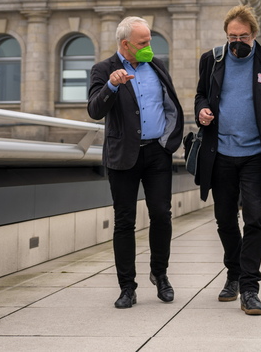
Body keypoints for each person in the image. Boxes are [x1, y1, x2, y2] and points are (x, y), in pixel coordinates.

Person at [194, 5, 261, 316]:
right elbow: (200, 95)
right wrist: (202, 111)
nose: (237, 41)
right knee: (225, 220)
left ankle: (249, 287)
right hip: (220, 155)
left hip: (256, 156)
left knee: (255, 219)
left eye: (244, 36)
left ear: (254, 35)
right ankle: (233, 272)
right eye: (232, 36)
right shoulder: (212, 60)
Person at [87, 16, 184, 310]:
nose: (149, 47)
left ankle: (160, 273)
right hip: (123, 155)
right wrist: (112, 87)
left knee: (161, 214)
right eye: (143, 43)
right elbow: (94, 110)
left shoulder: (157, 65)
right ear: (125, 44)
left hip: (157, 153)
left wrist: (170, 140)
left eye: (150, 41)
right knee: (124, 222)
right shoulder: (103, 70)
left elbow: (170, 103)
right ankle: (127, 287)